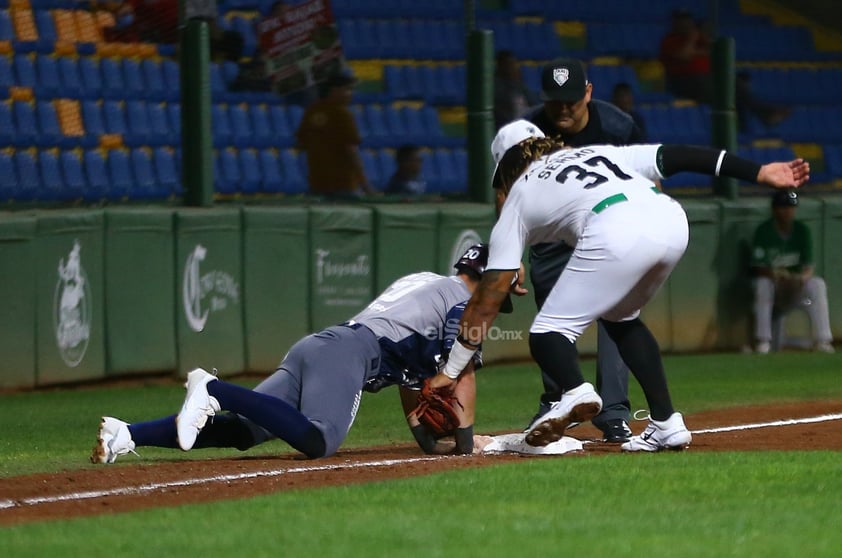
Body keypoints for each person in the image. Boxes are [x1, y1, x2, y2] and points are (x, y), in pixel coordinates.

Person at [428, 119, 810, 452]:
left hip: (613, 228)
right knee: (621, 317)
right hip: (670, 220)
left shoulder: (520, 192)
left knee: (547, 334)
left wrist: (452, 367)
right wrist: (760, 172)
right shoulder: (598, 152)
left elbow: (486, 301)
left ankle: (576, 392)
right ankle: (666, 423)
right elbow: (680, 156)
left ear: (506, 168)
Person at [91, 244, 499, 464]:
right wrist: (465, 445)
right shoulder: (464, 303)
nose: (497, 308)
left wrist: (429, 442)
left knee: (247, 431)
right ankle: (215, 388)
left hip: (321, 347)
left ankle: (126, 433)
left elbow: (409, 383)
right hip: (350, 354)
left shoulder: (427, 283)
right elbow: (463, 375)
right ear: (486, 281)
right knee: (318, 441)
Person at [519, 57, 647, 443]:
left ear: (588, 92)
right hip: (552, 237)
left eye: (571, 100)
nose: (563, 108)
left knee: (616, 320)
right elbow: (510, 191)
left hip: (607, 232)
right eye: (555, 100)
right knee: (552, 324)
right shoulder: (526, 131)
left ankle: (613, 412)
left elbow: (643, 180)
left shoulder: (618, 127)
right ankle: (557, 403)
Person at [750, 189, 834, 354]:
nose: (788, 211)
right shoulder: (764, 231)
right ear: (775, 209)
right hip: (774, 287)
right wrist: (776, 275)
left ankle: (822, 340)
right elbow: (758, 267)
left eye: (791, 207)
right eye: (783, 207)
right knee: (762, 285)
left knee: (817, 284)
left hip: (795, 288)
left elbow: (808, 267)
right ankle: (763, 341)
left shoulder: (802, 230)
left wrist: (802, 278)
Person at [295, 72, 374, 199]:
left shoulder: (312, 111)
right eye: (347, 89)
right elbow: (351, 150)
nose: (351, 94)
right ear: (334, 90)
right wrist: (366, 186)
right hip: (343, 185)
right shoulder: (342, 114)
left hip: (317, 184)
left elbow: (300, 143)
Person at [659, 9, 713, 104]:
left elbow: (711, 51)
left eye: (687, 20)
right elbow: (684, 55)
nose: (685, 23)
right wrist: (692, 38)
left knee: (734, 84)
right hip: (682, 81)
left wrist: (696, 49)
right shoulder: (669, 40)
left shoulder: (700, 38)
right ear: (675, 23)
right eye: (681, 20)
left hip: (705, 77)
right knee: (709, 88)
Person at [494, 50, 540, 130]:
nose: (514, 67)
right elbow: (505, 107)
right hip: (509, 125)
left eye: (514, 63)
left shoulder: (517, 82)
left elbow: (532, 100)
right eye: (510, 64)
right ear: (501, 65)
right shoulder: (495, 85)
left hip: (525, 121)